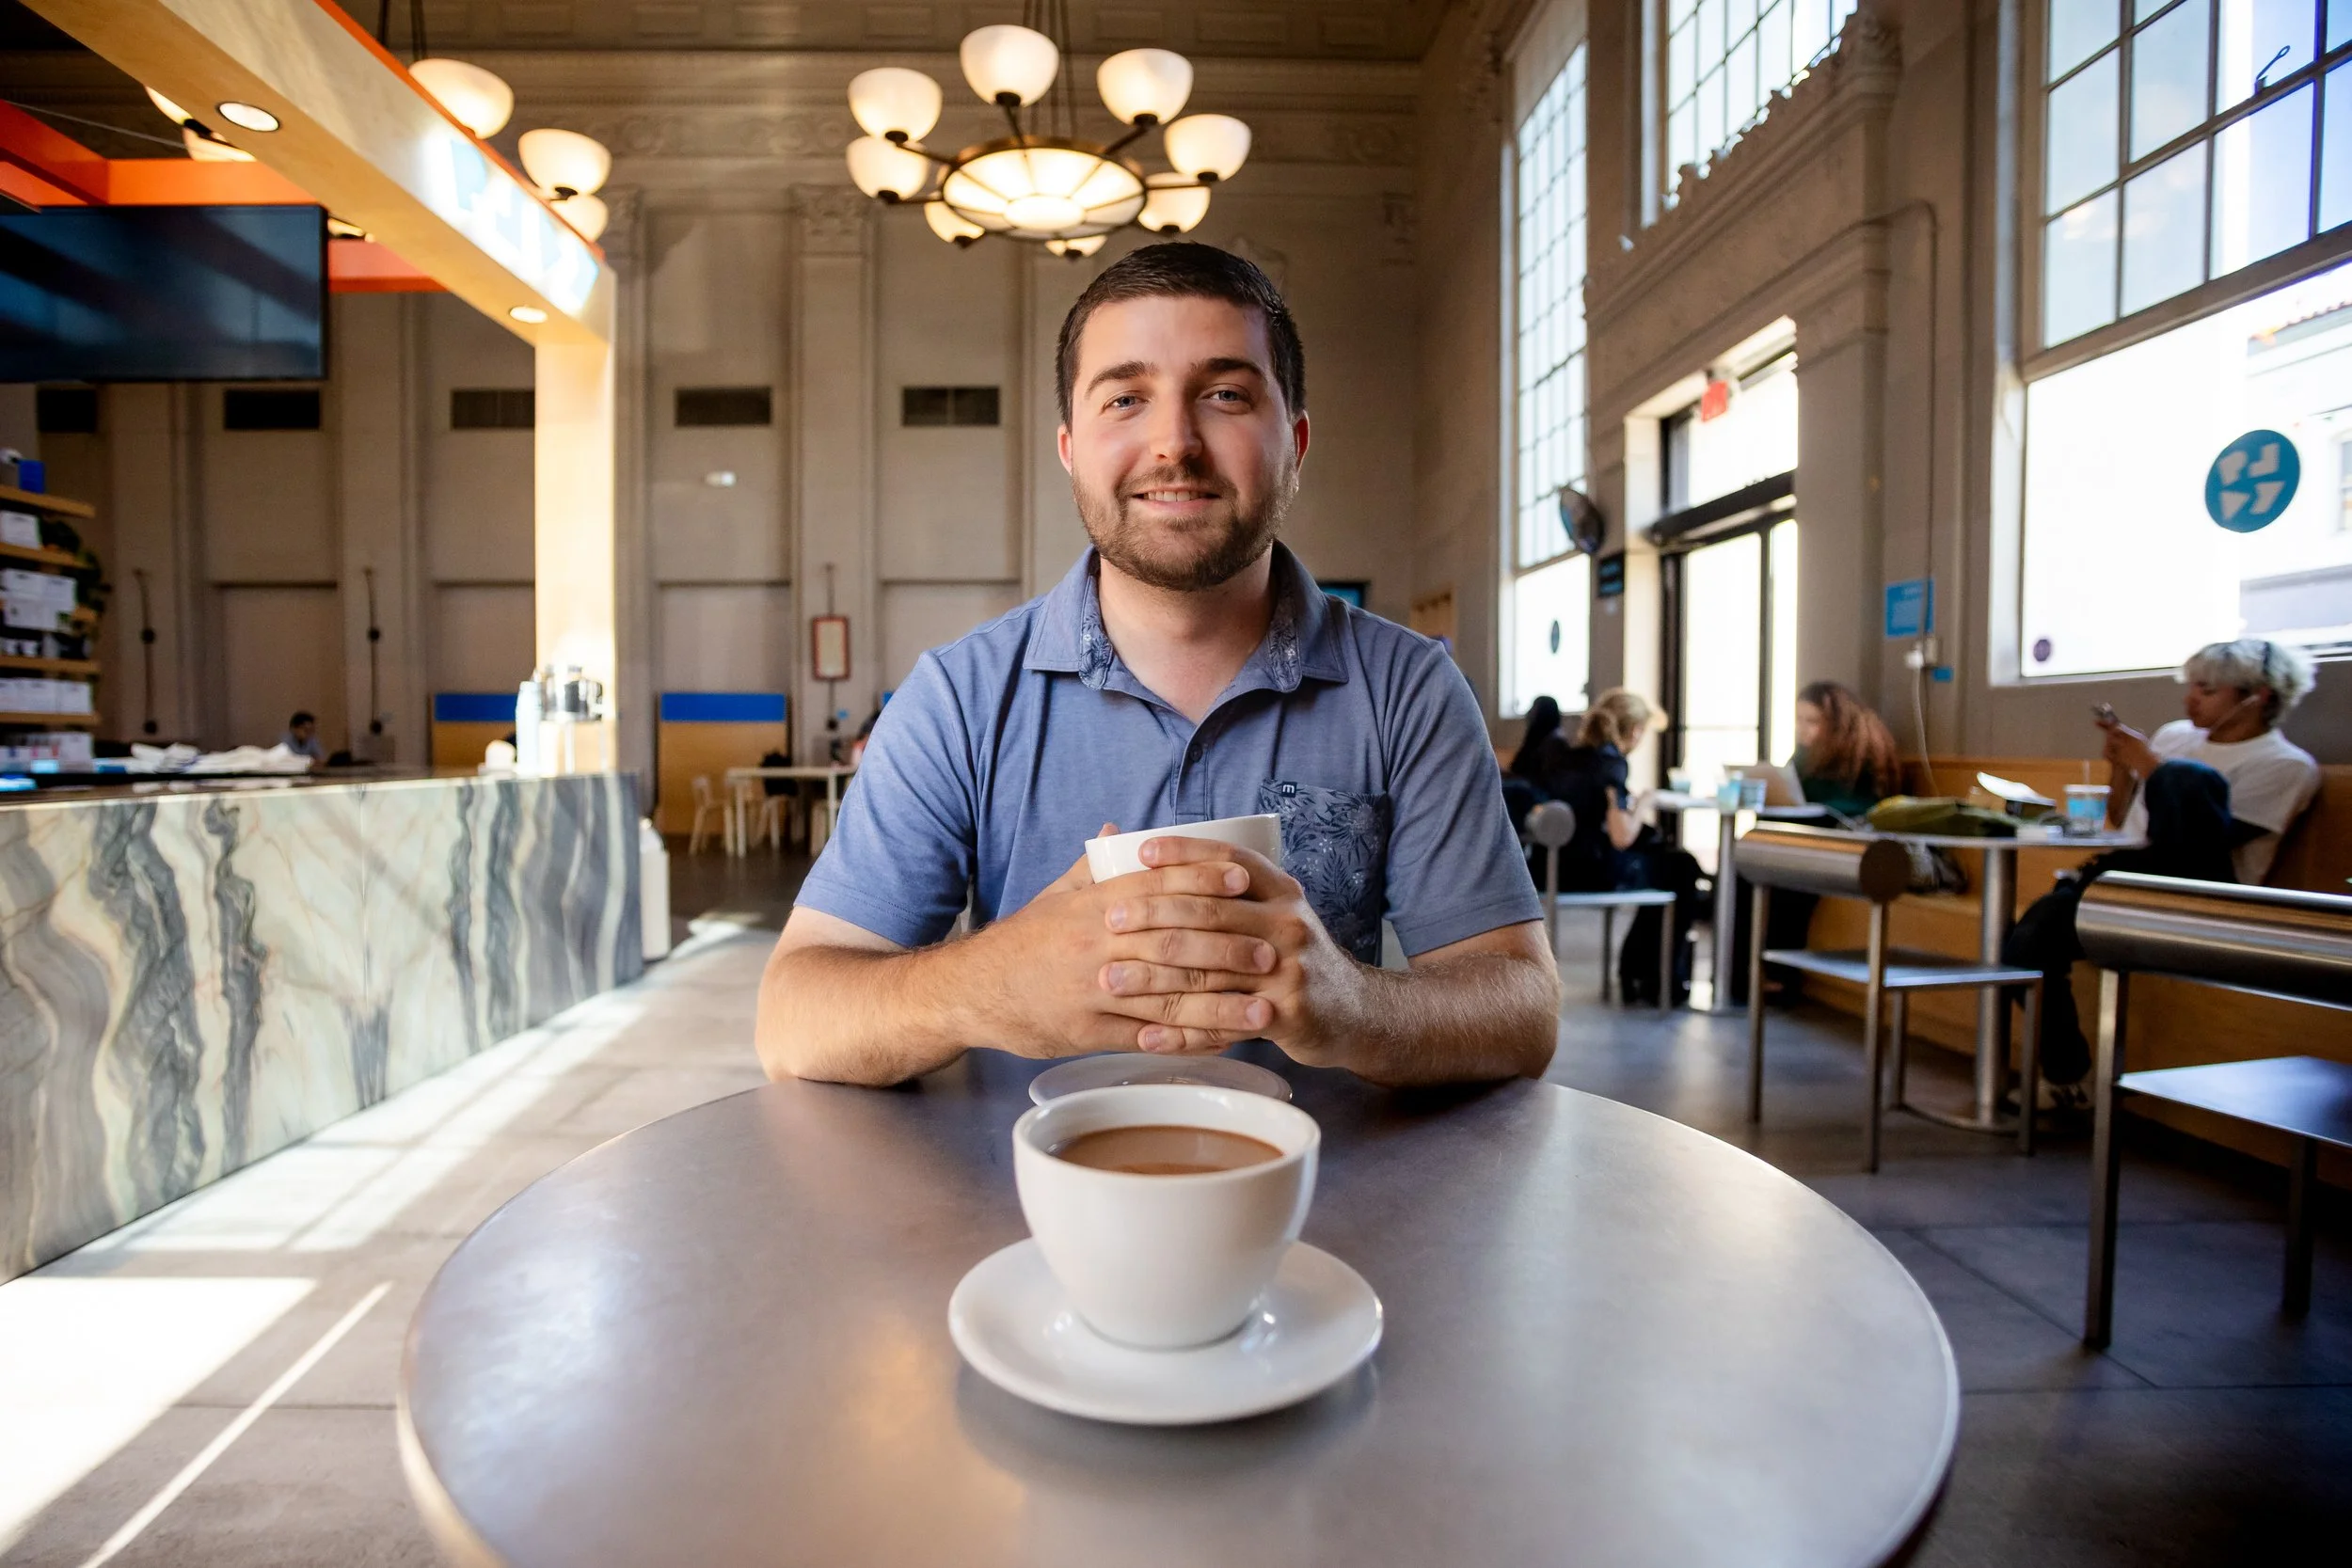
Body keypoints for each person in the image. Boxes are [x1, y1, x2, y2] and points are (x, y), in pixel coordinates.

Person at [756, 243, 1558, 1088]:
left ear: (1296, 440)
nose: (1174, 444)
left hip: (1322, 1205)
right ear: (1070, 446)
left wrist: (1352, 1004)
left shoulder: (1408, 690)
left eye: (1224, 395)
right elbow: (793, 1019)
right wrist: (986, 983)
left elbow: (1521, 1008)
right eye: (1126, 398)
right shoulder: (960, 697)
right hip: (1027, 1204)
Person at [2005, 638, 2320, 1107]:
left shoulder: (2285, 766)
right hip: (2124, 881)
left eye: (2208, 690)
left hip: (2198, 899)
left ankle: (2078, 1079)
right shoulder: (2175, 737)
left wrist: (2152, 766)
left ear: (2260, 697)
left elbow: (2198, 843)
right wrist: (2122, 769)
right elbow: (2125, 821)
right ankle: (2069, 1074)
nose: (2190, 699)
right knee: (2023, 943)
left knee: (2187, 781)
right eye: (2191, 686)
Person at [1518, 689, 1704, 1003]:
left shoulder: (1559, 754)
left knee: (1670, 866)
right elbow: (1622, 836)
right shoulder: (1611, 763)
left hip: (1547, 867)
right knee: (1682, 867)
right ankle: (1656, 976)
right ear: (1635, 731)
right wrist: (1645, 802)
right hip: (1593, 871)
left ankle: (1636, 970)